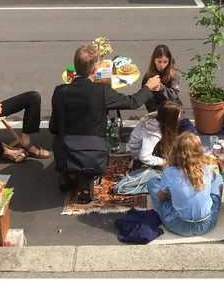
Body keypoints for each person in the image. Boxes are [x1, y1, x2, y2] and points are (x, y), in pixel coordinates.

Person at [49, 44, 162, 193]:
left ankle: (63, 172)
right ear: (94, 70)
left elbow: (53, 127)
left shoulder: (60, 91)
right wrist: (148, 87)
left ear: (75, 68)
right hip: (95, 148)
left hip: (67, 148)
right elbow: (132, 102)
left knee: (58, 138)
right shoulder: (101, 91)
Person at [146, 132, 223, 236]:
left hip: (178, 225)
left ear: (175, 151)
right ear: (199, 152)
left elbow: (161, 198)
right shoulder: (207, 168)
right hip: (207, 224)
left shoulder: (169, 172)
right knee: (218, 177)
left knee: (152, 183)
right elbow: (214, 177)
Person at [141, 44, 198, 135]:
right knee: (163, 141)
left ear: (169, 61)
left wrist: (161, 88)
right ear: (154, 60)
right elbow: (148, 102)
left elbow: (173, 95)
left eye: (165, 62)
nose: (162, 65)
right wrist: (161, 116)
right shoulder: (148, 77)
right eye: (159, 61)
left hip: (176, 111)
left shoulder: (173, 74)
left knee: (193, 136)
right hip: (159, 115)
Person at [128, 101, 199, 170]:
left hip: (139, 145)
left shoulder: (159, 115)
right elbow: (144, 156)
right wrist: (162, 162)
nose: (180, 116)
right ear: (171, 118)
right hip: (138, 152)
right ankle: (140, 164)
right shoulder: (153, 134)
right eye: (178, 115)